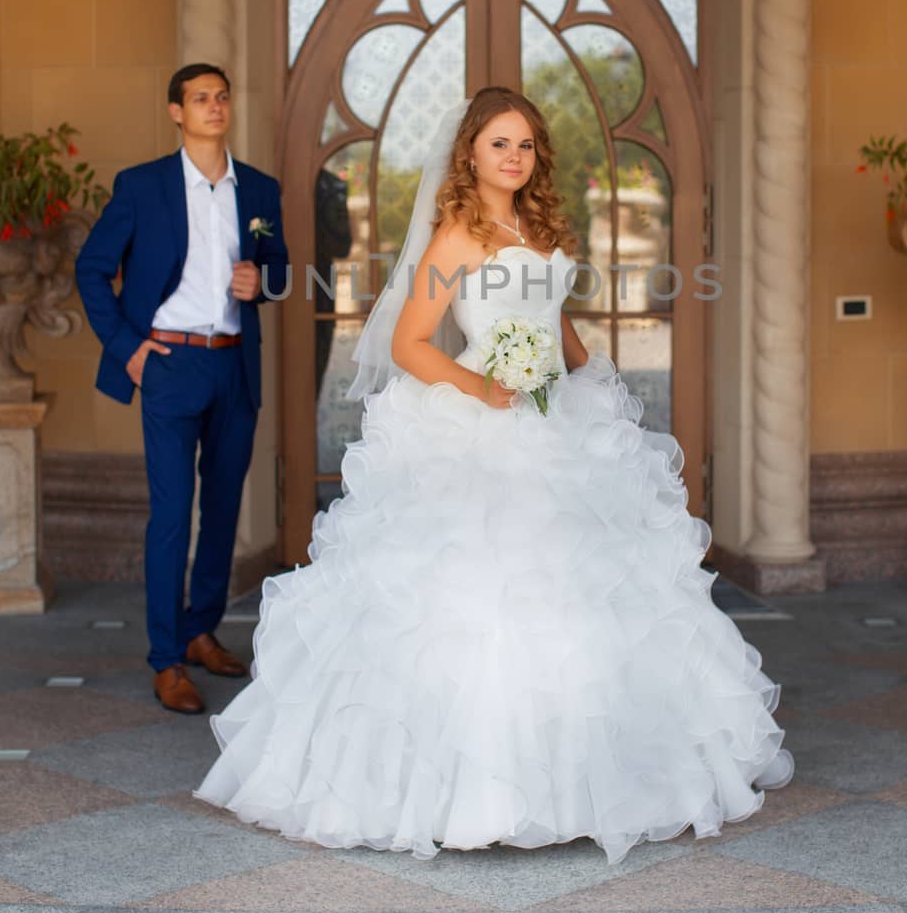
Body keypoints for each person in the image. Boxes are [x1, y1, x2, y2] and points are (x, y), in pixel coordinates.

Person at [196, 86, 793, 863]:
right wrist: (484, 388)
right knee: (482, 588)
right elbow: (410, 342)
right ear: (468, 153)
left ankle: (599, 779)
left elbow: (550, 317)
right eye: (498, 144)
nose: (513, 157)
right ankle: (471, 790)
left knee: (593, 586)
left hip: (558, 414)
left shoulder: (537, 224)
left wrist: (591, 375)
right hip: (484, 417)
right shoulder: (456, 236)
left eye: (524, 145)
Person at [75, 64, 289, 714]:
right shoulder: (141, 187)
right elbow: (91, 269)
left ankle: (200, 631)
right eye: (201, 98)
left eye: (222, 97)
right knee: (172, 516)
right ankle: (166, 659)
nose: (215, 107)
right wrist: (129, 350)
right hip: (168, 363)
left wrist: (266, 282)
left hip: (233, 365)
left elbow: (278, 266)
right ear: (176, 112)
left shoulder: (257, 188)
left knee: (223, 508)